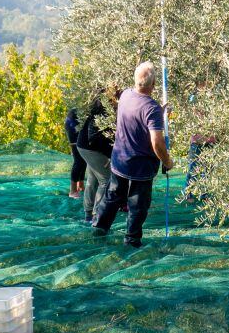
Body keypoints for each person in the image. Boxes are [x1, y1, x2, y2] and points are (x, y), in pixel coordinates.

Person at [92, 62, 174, 247]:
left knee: (112, 196)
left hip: (120, 159)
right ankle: (132, 240)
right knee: (138, 205)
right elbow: (157, 143)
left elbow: (138, 115)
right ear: (153, 85)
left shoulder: (126, 95)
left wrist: (159, 113)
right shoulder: (151, 108)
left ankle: (99, 228)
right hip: (141, 166)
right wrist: (167, 161)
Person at [75, 87, 120, 223]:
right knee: (105, 180)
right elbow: (94, 138)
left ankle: (88, 214)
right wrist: (109, 155)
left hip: (84, 145)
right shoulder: (104, 111)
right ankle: (97, 215)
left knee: (93, 179)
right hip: (90, 148)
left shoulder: (98, 107)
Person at [63, 109, 86, 199]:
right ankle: (72, 190)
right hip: (72, 123)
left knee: (84, 158)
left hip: (81, 123)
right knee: (78, 159)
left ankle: (80, 185)